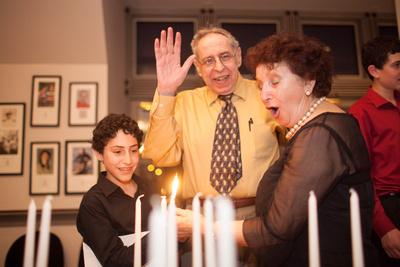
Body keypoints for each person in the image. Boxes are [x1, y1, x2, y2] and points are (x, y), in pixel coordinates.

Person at [176, 32, 378, 267]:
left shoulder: (320, 136)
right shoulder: (316, 128)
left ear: (308, 81)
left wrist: (203, 225)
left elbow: (275, 230)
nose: (263, 95)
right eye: (261, 85)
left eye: (274, 82)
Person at [142, 27, 282, 217]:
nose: (218, 67)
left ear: (238, 56)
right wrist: (166, 92)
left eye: (225, 56)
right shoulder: (183, 102)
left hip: (259, 215)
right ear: (198, 68)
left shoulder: (266, 95)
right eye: (208, 60)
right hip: (199, 218)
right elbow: (161, 156)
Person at [76, 114, 155, 267]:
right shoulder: (93, 203)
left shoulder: (151, 189)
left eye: (133, 151)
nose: (128, 160)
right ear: (99, 153)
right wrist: (163, 234)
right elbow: (116, 261)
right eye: (118, 152)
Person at [349, 36, 400, 266]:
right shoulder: (360, 112)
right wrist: (384, 228)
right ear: (374, 70)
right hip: (390, 209)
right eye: (397, 65)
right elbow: (361, 178)